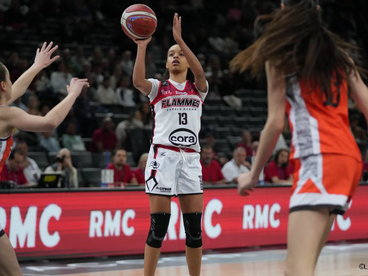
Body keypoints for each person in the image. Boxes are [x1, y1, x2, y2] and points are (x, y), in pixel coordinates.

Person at [230, 1, 366, 275]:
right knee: (301, 268)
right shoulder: (338, 54)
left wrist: (253, 174)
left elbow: (275, 123)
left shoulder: (281, 55)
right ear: (317, 8)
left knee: (297, 272)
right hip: (348, 161)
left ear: (283, 8)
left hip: (319, 159)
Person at [0, 41, 88, 275]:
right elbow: (49, 122)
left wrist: (37, 66)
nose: (12, 84)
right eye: (9, 79)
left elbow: (14, 91)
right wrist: (72, 95)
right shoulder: (6, 114)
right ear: (2, 85)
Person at [132, 13, 208, 276]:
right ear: (165, 63)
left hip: (190, 159)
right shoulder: (158, 87)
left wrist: (180, 39)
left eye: (180, 54)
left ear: (187, 60)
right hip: (162, 157)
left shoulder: (198, 88)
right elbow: (137, 82)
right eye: (171, 53)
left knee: (195, 229)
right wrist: (142, 47)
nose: (176, 56)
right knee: (159, 226)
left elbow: (200, 71)